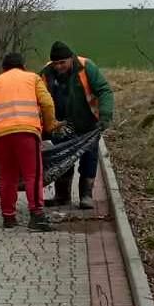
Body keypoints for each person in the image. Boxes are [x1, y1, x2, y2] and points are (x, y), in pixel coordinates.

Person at [0, 53, 62, 231]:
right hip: (26, 133)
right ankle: (37, 216)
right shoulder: (32, 78)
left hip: (0, 136)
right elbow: (47, 103)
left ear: (3, 68)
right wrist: (50, 125)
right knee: (32, 175)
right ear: (23, 66)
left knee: (7, 177)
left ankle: (9, 217)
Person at [39, 41, 115, 209]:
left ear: (70, 59)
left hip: (87, 123)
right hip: (60, 126)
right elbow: (36, 99)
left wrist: (105, 116)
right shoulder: (46, 72)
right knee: (62, 159)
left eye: (62, 63)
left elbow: (104, 91)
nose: (58, 66)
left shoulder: (86, 67)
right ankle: (62, 196)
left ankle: (86, 196)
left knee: (89, 159)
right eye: (55, 63)